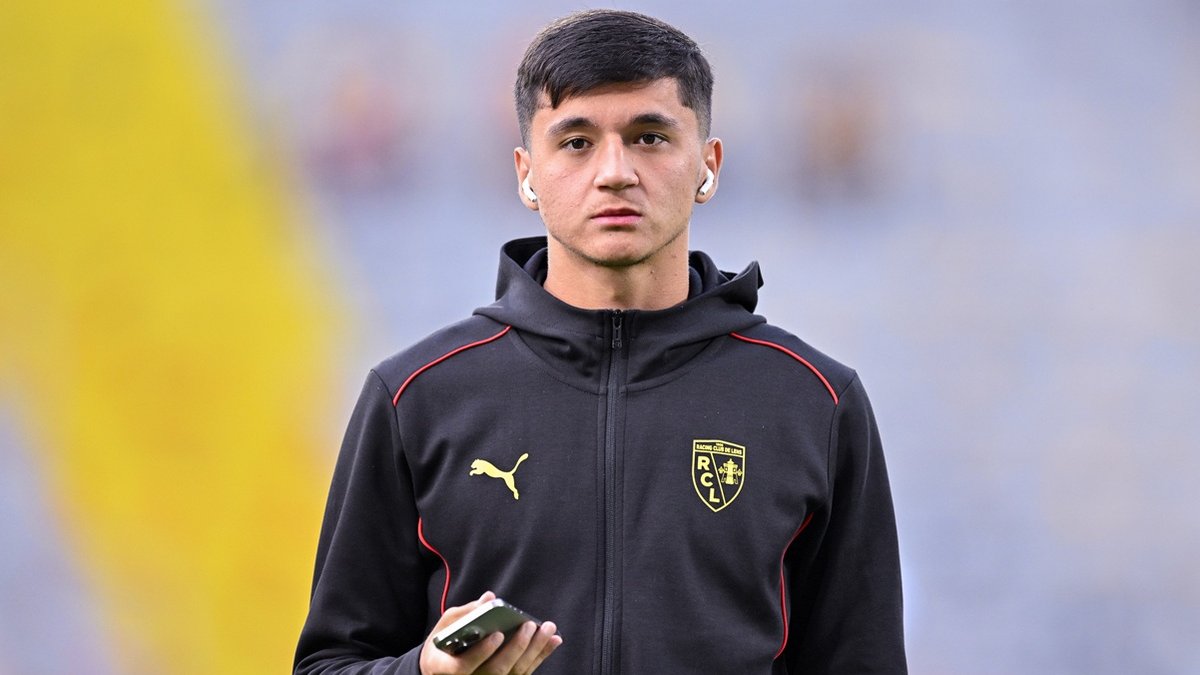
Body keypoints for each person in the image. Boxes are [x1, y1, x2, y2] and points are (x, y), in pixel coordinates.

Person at [294, 9, 906, 675]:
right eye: (577, 142)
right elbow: (329, 662)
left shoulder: (814, 401)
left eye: (649, 137)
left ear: (708, 165)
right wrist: (423, 672)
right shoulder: (417, 397)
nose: (615, 171)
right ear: (526, 174)